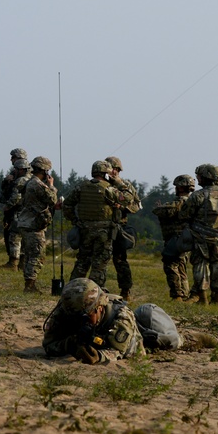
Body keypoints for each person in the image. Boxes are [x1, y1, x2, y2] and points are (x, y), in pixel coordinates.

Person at [178, 164, 218, 305]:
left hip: (199, 239)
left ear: (206, 177)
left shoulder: (197, 196)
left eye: (199, 176)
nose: (197, 178)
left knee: (200, 266)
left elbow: (184, 216)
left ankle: (203, 299)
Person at [42, 278, 145, 364]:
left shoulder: (121, 316)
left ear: (99, 307)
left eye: (84, 316)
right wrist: (70, 344)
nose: (78, 321)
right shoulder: (65, 310)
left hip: (127, 344)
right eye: (74, 317)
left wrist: (98, 356)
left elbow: (117, 350)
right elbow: (49, 345)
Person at [61, 160, 122, 291]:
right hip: (104, 232)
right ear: (106, 174)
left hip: (84, 230)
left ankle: (72, 289)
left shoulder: (81, 187)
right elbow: (127, 200)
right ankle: (95, 291)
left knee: (82, 260)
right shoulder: (109, 189)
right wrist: (118, 182)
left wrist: (75, 220)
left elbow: (67, 204)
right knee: (99, 263)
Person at [15, 156, 58, 293]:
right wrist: (51, 186)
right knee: (37, 255)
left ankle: (29, 283)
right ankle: (30, 286)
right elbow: (52, 199)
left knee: (29, 255)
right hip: (34, 225)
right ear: (45, 171)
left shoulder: (28, 183)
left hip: (26, 222)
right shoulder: (38, 184)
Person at [152, 174, 196, 301]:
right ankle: (185, 293)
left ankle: (177, 294)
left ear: (181, 188)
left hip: (176, 239)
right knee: (181, 267)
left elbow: (160, 211)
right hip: (187, 240)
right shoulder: (194, 203)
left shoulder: (180, 203)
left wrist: (159, 207)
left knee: (170, 265)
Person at [105, 156, 141, 301]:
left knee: (120, 260)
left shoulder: (126, 185)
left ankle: (125, 290)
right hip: (102, 225)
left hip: (119, 226)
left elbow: (136, 205)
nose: (113, 171)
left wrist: (123, 206)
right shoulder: (101, 183)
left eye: (115, 169)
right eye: (110, 168)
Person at [0, 154, 31, 269]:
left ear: (21, 169)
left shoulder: (21, 180)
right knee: (22, 238)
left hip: (18, 211)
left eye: (17, 169)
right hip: (26, 212)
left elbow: (15, 196)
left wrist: (7, 206)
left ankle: (13, 263)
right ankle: (22, 263)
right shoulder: (31, 178)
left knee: (14, 237)